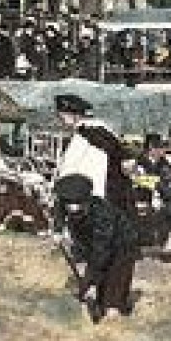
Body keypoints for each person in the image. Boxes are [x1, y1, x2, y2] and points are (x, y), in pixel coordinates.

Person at [53, 173, 139, 324]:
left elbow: (101, 253)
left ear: (86, 201)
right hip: (92, 241)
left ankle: (115, 305)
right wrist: (58, 230)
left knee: (114, 283)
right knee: (88, 290)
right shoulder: (66, 202)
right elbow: (59, 209)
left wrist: (93, 281)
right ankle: (96, 297)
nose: (73, 210)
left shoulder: (103, 215)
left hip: (121, 243)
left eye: (78, 208)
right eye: (70, 207)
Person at [52, 93, 135, 216]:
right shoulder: (105, 132)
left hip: (93, 199)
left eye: (62, 116)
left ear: (73, 115)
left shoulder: (83, 135)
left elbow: (68, 170)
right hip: (112, 196)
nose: (60, 120)